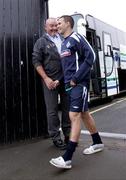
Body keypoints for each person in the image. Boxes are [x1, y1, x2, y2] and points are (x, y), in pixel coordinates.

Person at [50, 15, 104, 169]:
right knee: (85, 114)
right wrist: (62, 81)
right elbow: (67, 66)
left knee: (74, 115)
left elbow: (91, 56)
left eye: (59, 23)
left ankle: (67, 158)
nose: (57, 25)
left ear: (68, 23)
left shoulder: (76, 38)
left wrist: (75, 78)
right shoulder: (64, 43)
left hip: (79, 84)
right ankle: (98, 142)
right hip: (69, 85)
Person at [32, 18, 71, 150]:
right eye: (51, 26)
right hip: (50, 82)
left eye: (56, 25)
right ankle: (56, 138)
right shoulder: (41, 42)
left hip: (65, 79)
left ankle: (68, 135)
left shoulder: (63, 39)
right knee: (52, 111)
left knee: (67, 109)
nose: (54, 28)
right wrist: (46, 79)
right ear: (45, 27)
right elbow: (36, 61)